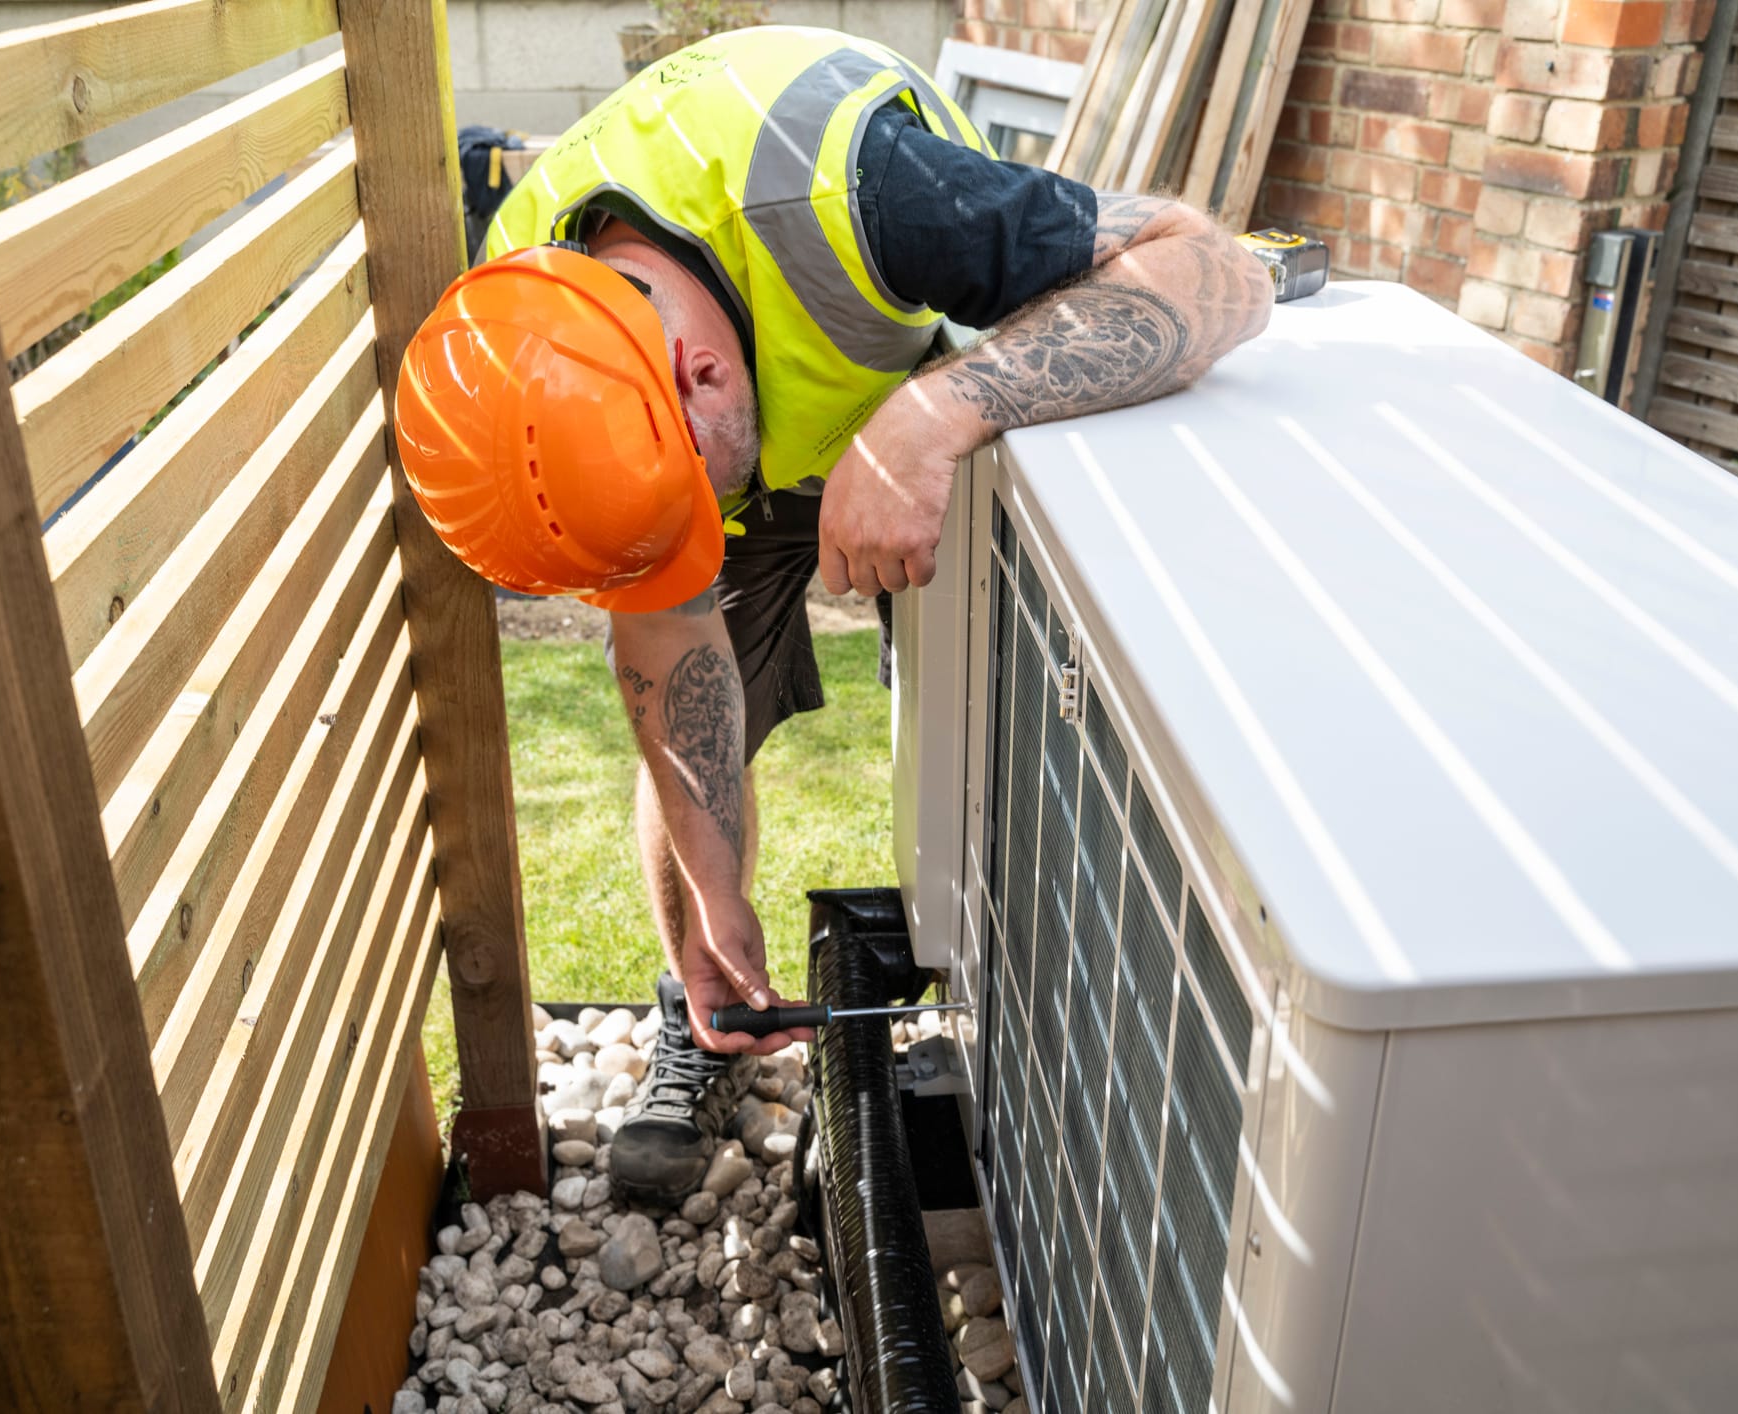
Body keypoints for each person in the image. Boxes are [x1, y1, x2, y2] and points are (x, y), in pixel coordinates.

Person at [394, 25, 1272, 1204]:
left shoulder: (866, 193)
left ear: (699, 377)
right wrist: (714, 899)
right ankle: (693, 1009)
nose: (683, 560)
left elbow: (1214, 273)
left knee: (985, 712)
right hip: (747, 397)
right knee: (702, 733)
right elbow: (666, 643)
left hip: (904, 355)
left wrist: (930, 417)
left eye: (684, 515)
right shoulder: (532, 349)